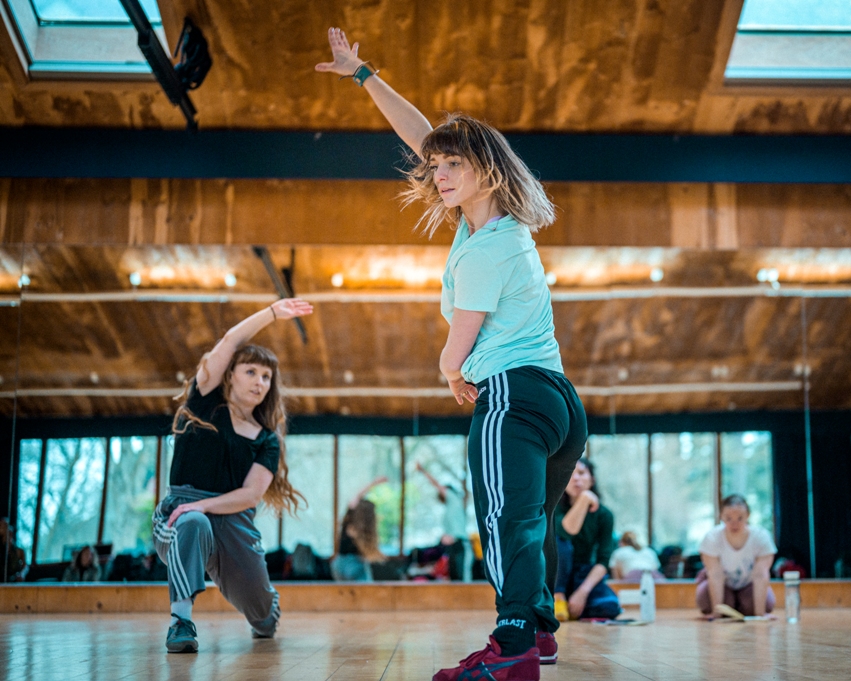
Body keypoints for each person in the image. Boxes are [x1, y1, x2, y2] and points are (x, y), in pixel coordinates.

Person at [316, 29, 588, 680]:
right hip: (559, 403)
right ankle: (541, 632)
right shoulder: (497, 225)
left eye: (450, 167)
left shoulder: (488, 251)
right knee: (533, 522)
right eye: (434, 166)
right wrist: (363, 76)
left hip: (513, 401)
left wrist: (451, 372)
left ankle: (513, 647)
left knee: (503, 521)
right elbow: (422, 132)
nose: (436, 174)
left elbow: (454, 351)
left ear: (484, 171)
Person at [152, 298, 312, 653]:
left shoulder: (267, 439)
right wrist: (272, 313)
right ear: (230, 375)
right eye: (251, 372)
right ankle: (181, 622)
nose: (259, 382)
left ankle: (265, 609)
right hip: (181, 513)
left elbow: (251, 495)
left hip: (233, 518)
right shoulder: (205, 401)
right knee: (193, 521)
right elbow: (229, 341)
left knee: (265, 621)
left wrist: (209, 506)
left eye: (266, 376)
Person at [553, 459, 621, 621]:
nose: (576, 478)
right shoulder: (553, 508)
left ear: (592, 479)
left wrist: (582, 593)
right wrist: (584, 498)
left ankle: (571, 607)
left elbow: (603, 561)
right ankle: (558, 597)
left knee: (609, 606)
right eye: (570, 473)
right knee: (562, 542)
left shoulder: (605, 515)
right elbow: (567, 532)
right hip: (554, 575)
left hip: (583, 574)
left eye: (582, 473)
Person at [696, 494, 777, 618]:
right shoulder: (712, 537)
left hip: (748, 585)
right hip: (723, 586)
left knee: (767, 603)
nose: (734, 523)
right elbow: (715, 574)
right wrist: (716, 612)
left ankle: (744, 606)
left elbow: (761, 574)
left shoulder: (761, 537)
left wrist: (760, 614)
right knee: (705, 600)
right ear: (721, 516)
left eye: (740, 518)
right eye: (728, 518)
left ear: (748, 516)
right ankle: (732, 606)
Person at [415, 460, 471, 581]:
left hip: (460, 543)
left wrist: (423, 471)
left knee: (461, 577)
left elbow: (436, 484)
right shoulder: (450, 508)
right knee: (453, 575)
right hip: (453, 545)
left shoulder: (453, 497)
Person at [331, 477, 388, 582]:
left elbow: (357, 497)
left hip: (338, 564)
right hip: (354, 565)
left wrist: (374, 483)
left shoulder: (349, 518)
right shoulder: (365, 530)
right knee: (366, 595)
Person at [0, 518, 26, 582]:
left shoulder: (19, 551)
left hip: (15, 582)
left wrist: (22, 574)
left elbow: (25, 566)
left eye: (5, 526)